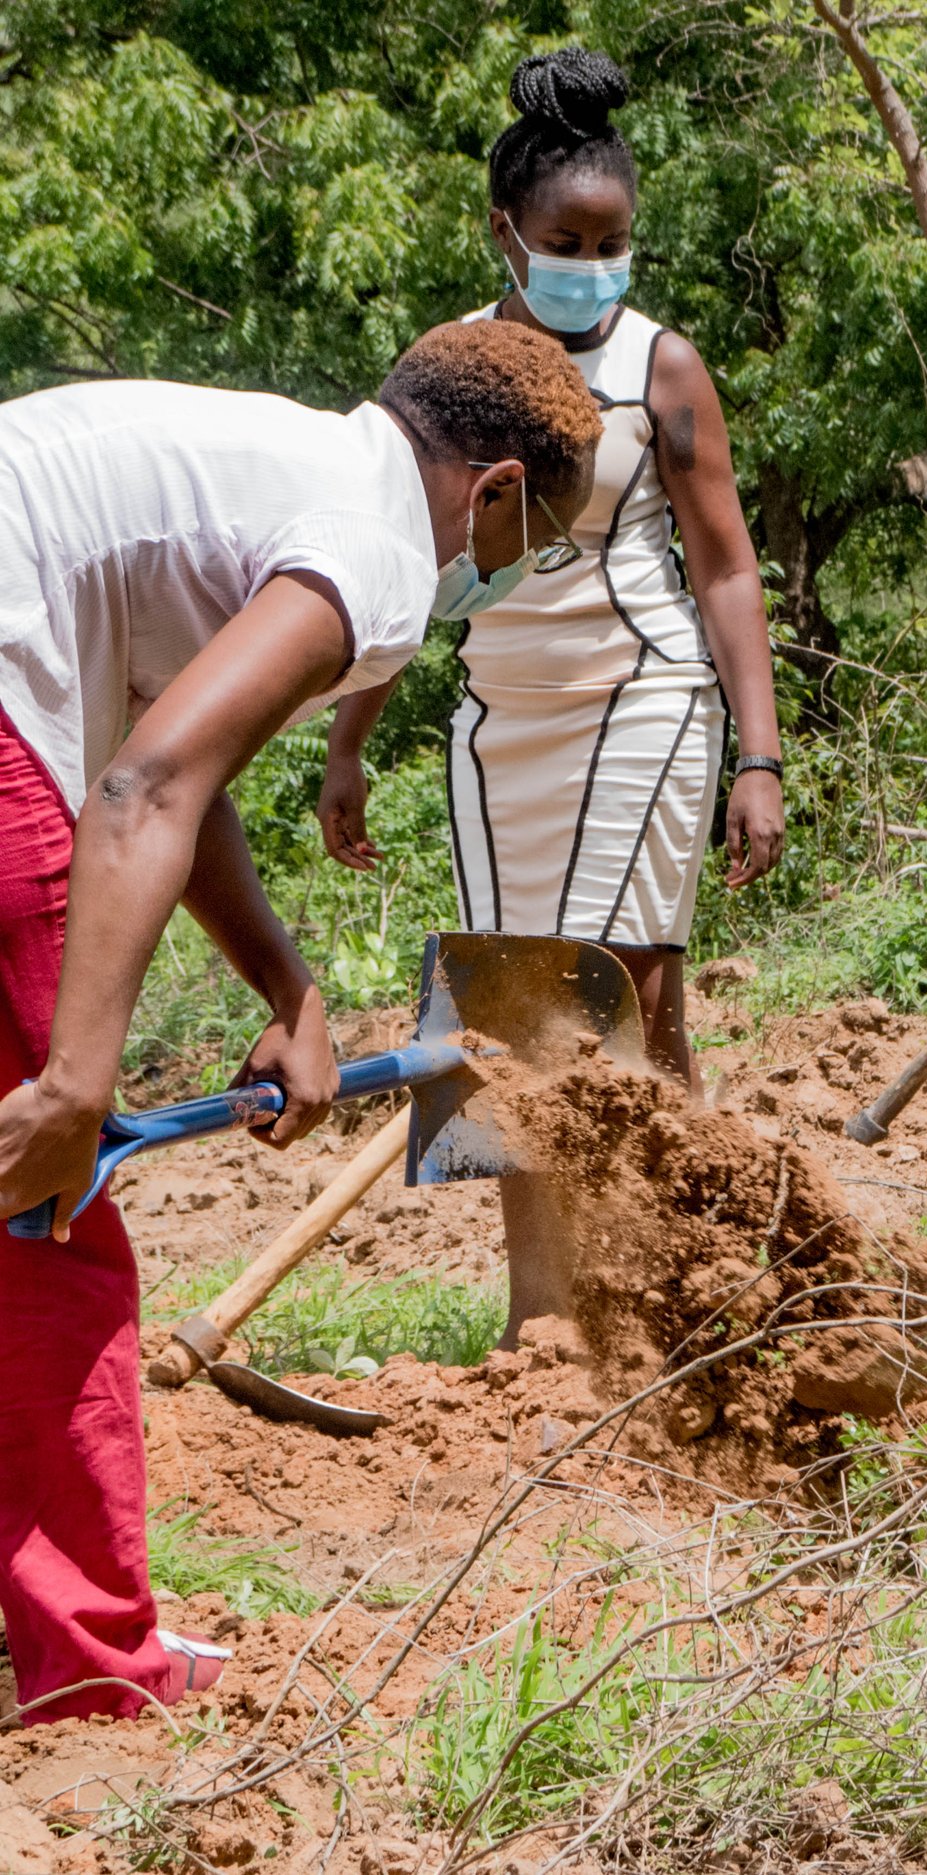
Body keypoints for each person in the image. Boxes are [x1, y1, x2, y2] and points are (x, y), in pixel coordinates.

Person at [0, 320, 605, 1723]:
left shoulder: (281, 467)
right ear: (497, 491)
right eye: (535, 540)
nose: (507, 569)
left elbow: (170, 774)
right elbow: (143, 786)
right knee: (47, 1229)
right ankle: (94, 1666)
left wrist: (295, 994)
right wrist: (80, 1081)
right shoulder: (383, 548)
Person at [319, 48, 786, 1345]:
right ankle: (544, 1314)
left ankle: (667, 1283)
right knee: (508, 994)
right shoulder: (452, 368)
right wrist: (349, 742)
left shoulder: (663, 367)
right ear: (505, 235)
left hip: (645, 693)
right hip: (496, 723)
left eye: (613, 241)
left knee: (603, 980)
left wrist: (762, 755)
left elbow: (727, 567)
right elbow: (397, 555)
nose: (591, 262)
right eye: (564, 239)